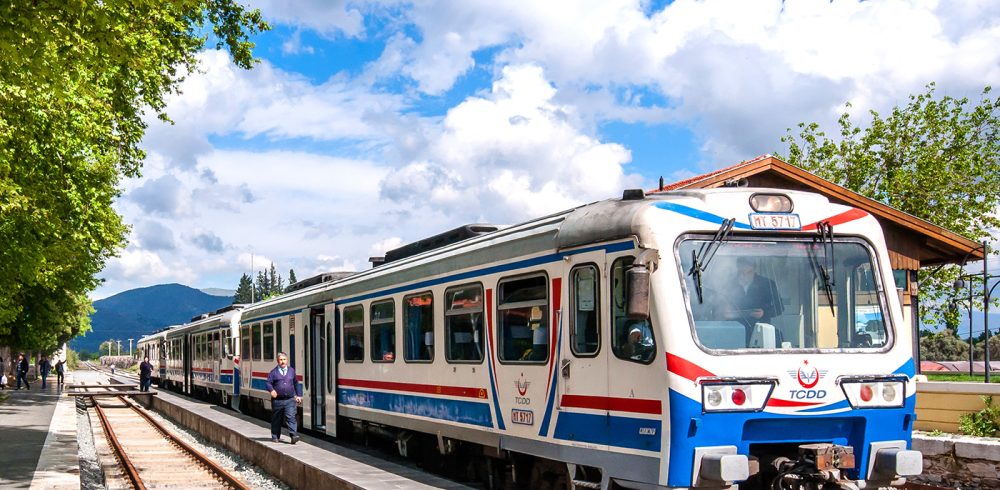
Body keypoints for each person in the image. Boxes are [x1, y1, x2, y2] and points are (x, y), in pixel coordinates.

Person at [266, 352, 302, 444]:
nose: (282, 362)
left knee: (291, 417)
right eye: (281, 360)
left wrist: (298, 395)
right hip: (277, 400)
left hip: (289, 399)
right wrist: (271, 390)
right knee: (276, 419)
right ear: (278, 361)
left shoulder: (291, 371)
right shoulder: (273, 372)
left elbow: (296, 383)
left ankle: (293, 435)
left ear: (287, 360)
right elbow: (268, 383)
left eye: (284, 359)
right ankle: (275, 436)